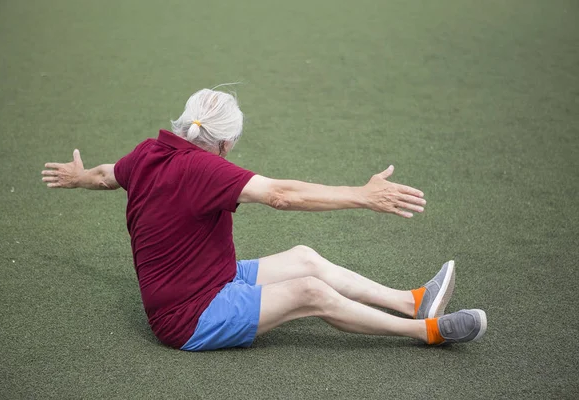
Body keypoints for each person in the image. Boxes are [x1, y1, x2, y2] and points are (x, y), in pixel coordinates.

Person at [41, 88, 487, 351]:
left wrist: (79, 177)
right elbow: (279, 195)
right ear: (227, 142)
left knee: (306, 258)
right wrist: (363, 196)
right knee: (310, 292)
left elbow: (106, 176)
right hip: (187, 316)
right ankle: (426, 331)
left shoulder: (147, 151)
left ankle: (412, 300)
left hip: (213, 279)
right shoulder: (206, 168)